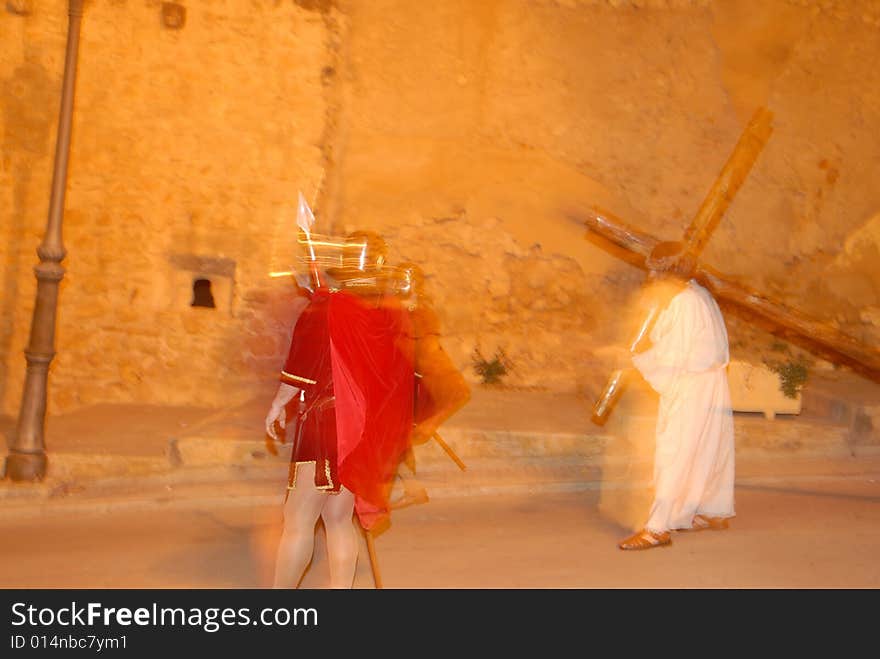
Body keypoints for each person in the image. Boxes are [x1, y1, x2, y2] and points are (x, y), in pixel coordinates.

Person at [266, 231, 415, 587]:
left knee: (298, 520)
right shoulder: (378, 315)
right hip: (358, 431)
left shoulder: (324, 310)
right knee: (337, 520)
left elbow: (300, 369)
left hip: (323, 426)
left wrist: (276, 406)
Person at [617, 241, 735, 550]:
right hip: (710, 383)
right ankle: (703, 510)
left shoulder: (685, 301)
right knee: (702, 451)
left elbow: (672, 354)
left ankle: (657, 528)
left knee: (675, 452)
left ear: (671, 270)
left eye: (657, 270)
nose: (652, 276)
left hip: (692, 384)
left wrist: (635, 360)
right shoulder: (697, 292)